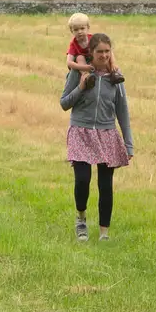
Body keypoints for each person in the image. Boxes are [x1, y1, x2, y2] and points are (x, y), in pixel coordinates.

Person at [60, 33, 133, 242]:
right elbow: (64, 103)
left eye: (107, 52)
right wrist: (81, 87)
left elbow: (123, 111)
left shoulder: (115, 77)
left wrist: (129, 144)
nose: (104, 55)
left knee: (105, 185)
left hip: (107, 134)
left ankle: (104, 233)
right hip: (81, 132)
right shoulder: (78, 74)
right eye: (99, 51)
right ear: (90, 53)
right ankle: (81, 219)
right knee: (82, 180)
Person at [65, 12, 123, 84]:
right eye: (76, 30)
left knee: (104, 54)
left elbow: (109, 51)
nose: (79, 32)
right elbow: (69, 62)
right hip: (82, 64)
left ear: (88, 28)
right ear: (71, 31)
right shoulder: (73, 44)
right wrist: (84, 67)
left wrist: (113, 63)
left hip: (95, 58)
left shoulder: (93, 39)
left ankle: (114, 74)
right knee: (79, 57)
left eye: (82, 28)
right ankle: (87, 76)